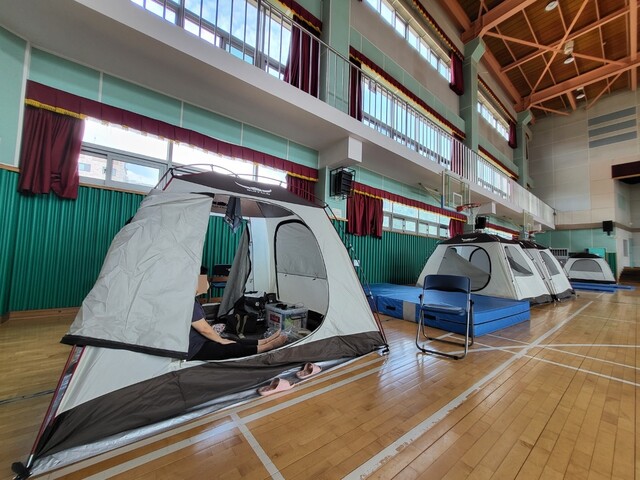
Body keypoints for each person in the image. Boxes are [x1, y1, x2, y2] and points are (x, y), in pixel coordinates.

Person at [187, 267, 287, 361]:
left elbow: (204, 287)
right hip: (194, 348)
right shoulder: (188, 303)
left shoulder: (191, 299)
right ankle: (267, 346)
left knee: (231, 339)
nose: (205, 282)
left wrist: (220, 339)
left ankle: (265, 341)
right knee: (228, 347)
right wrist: (220, 340)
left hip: (200, 340)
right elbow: (204, 329)